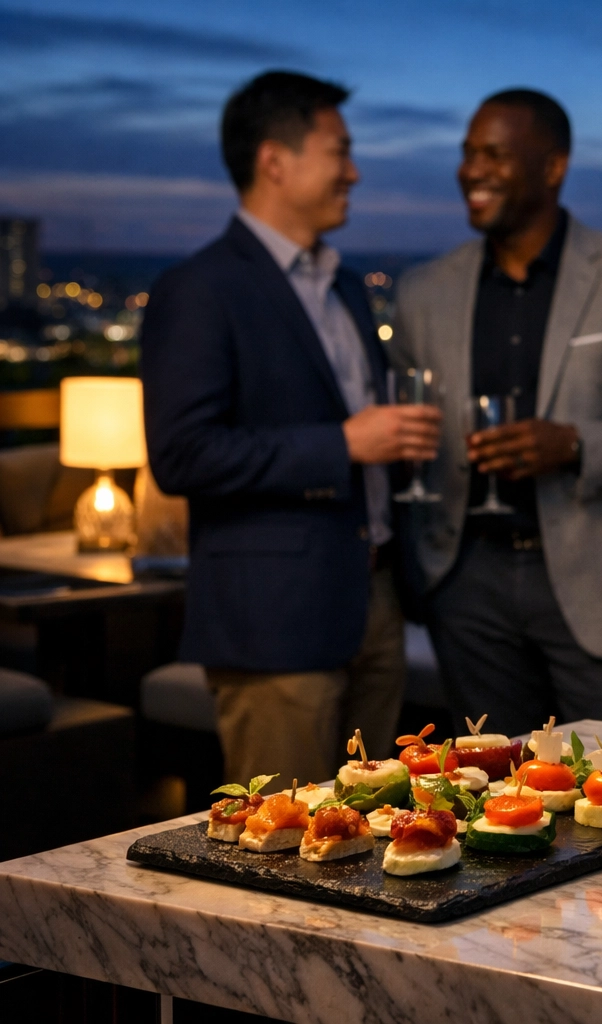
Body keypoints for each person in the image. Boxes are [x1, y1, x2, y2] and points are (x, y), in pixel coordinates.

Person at [141, 71, 441, 786]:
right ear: (275, 160)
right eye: (340, 151)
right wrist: (344, 443)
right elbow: (181, 456)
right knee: (282, 859)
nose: (355, 170)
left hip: (372, 603)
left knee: (377, 843)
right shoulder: (201, 288)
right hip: (273, 625)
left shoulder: (343, 286)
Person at [390, 89, 602, 736]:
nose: (471, 169)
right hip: (466, 585)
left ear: (553, 166)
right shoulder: (423, 292)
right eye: (467, 153)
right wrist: (425, 580)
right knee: (490, 802)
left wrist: (576, 446)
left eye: (495, 154)